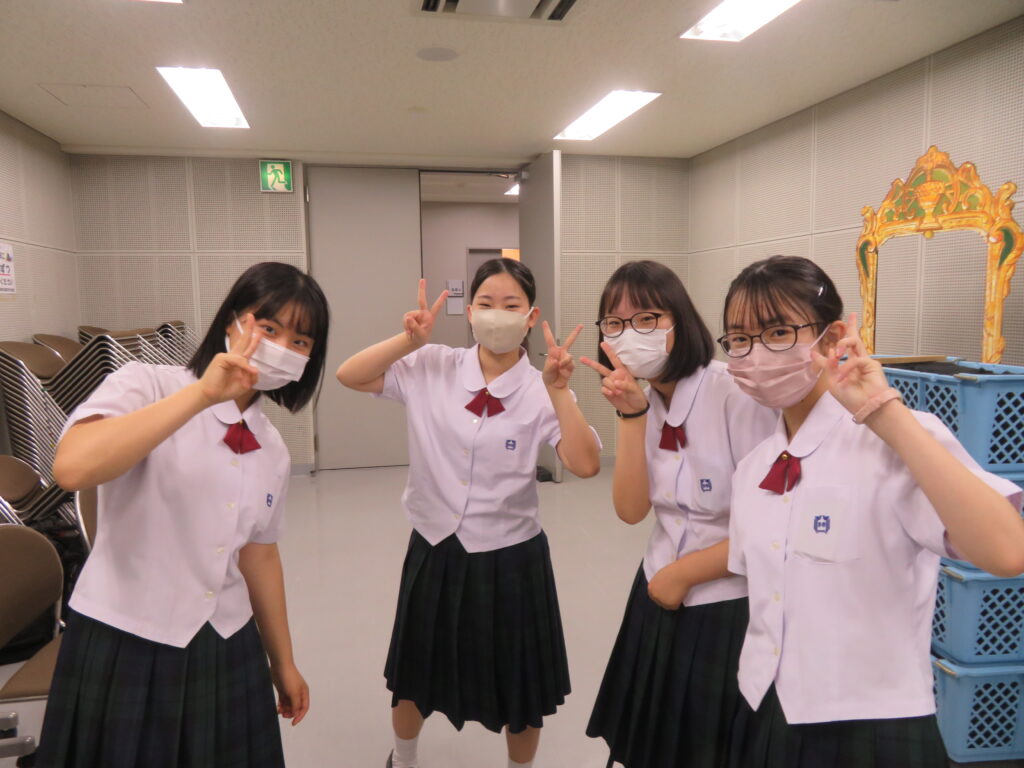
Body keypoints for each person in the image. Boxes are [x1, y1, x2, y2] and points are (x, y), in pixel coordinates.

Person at [720, 255, 1024, 767]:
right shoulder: (754, 467)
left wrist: (885, 413)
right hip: (765, 707)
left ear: (833, 336)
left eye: (777, 332)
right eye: (739, 339)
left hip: (874, 723)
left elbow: (1008, 551)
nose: (757, 353)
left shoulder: (896, 439)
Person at [38, 261, 328, 768]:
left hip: (227, 642)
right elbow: (72, 468)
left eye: (301, 341)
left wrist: (283, 661)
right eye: (269, 328)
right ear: (233, 322)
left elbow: (258, 555)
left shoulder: (273, 448)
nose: (283, 346)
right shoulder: (146, 384)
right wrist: (202, 396)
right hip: (126, 639)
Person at [336, 258, 601, 768]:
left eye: (511, 305)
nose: (497, 314)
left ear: (531, 316)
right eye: (485, 303)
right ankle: (403, 760)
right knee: (414, 673)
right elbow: (351, 375)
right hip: (434, 547)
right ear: (470, 311)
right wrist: (407, 341)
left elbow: (586, 464)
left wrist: (560, 392)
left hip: (511, 557)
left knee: (520, 687)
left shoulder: (542, 387)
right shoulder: (431, 364)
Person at [581, 260, 775, 768]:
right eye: (615, 323)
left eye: (647, 319)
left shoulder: (733, 393)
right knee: (650, 739)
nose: (630, 334)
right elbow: (631, 511)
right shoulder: (646, 400)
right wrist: (630, 416)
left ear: (679, 321)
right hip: (657, 585)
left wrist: (685, 574)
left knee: (707, 748)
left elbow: (773, 527)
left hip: (726, 601)